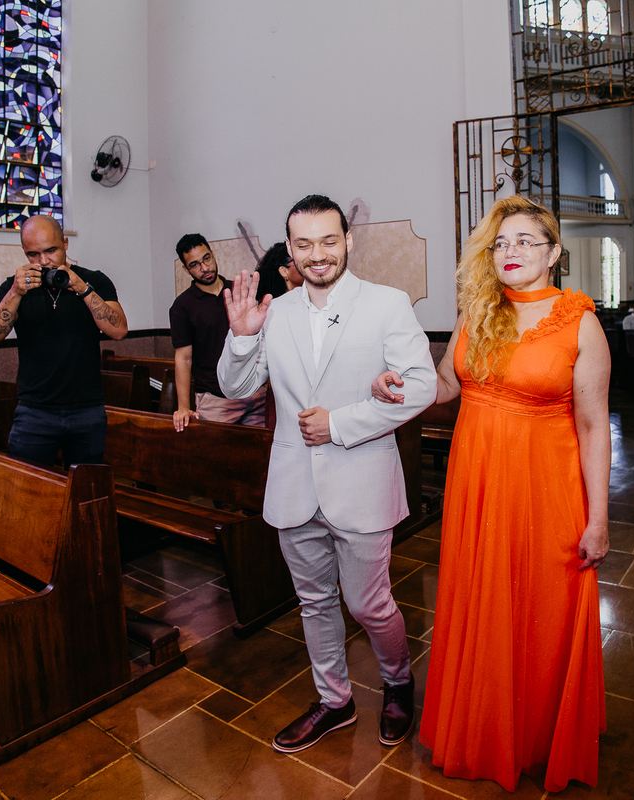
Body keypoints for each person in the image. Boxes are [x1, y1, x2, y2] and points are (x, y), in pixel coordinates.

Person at [373, 195, 610, 791]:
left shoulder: (579, 322)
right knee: (481, 600)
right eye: (501, 243)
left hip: (545, 487)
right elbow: (446, 384)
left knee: (540, 608)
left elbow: (592, 426)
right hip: (476, 482)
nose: (510, 251)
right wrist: (398, 386)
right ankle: (482, 728)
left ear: (554, 253)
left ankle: (536, 735)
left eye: (525, 240)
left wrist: (599, 518)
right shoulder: (478, 311)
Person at [218, 194, 435, 753]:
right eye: (305, 244)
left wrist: (338, 424)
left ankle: (397, 682)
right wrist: (242, 337)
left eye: (329, 240)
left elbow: (422, 386)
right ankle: (334, 700)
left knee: (368, 604)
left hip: (361, 480)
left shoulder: (386, 304)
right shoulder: (276, 311)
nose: (318, 254)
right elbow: (236, 387)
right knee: (313, 602)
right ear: (290, 251)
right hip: (294, 484)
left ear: (348, 241)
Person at [0, 215, 127, 466]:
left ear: (65, 244)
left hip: (87, 409)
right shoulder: (14, 287)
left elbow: (119, 330)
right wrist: (16, 292)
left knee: (87, 486)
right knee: (28, 486)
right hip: (34, 411)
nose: (44, 261)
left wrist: (82, 289)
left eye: (51, 250)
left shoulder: (94, 280)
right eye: (33, 254)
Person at [169, 234, 267, 431]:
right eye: (195, 265)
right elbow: (184, 358)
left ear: (213, 255)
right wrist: (183, 407)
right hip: (216, 399)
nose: (204, 268)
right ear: (186, 269)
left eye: (206, 258)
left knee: (262, 449)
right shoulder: (182, 306)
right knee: (214, 450)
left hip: (254, 394)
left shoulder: (238, 292)